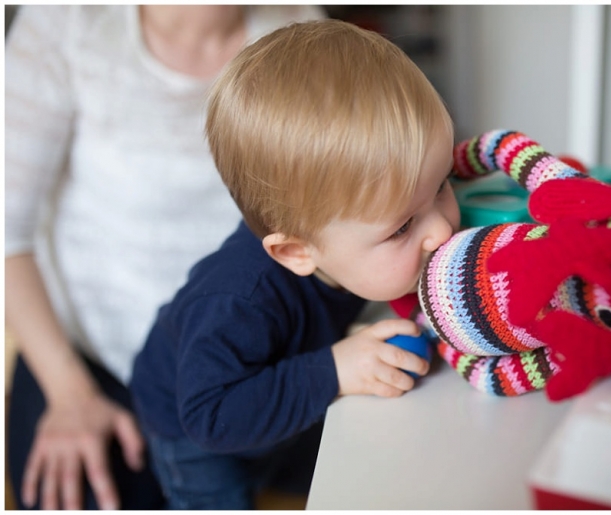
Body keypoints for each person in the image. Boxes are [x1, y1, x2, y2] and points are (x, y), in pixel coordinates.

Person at [128, 19, 459, 509]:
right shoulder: (237, 301)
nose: (443, 231)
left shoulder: (343, 241)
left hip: (279, 375)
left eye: (442, 185)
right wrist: (331, 371)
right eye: (402, 228)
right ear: (297, 252)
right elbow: (210, 414)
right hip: (196, 429)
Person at [5, 5, 324, 510]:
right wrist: (70, 395)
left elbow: (333, 209)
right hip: (92, 365)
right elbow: (7, 232)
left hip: (253, 358)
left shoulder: (303, 29)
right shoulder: (65, 21)